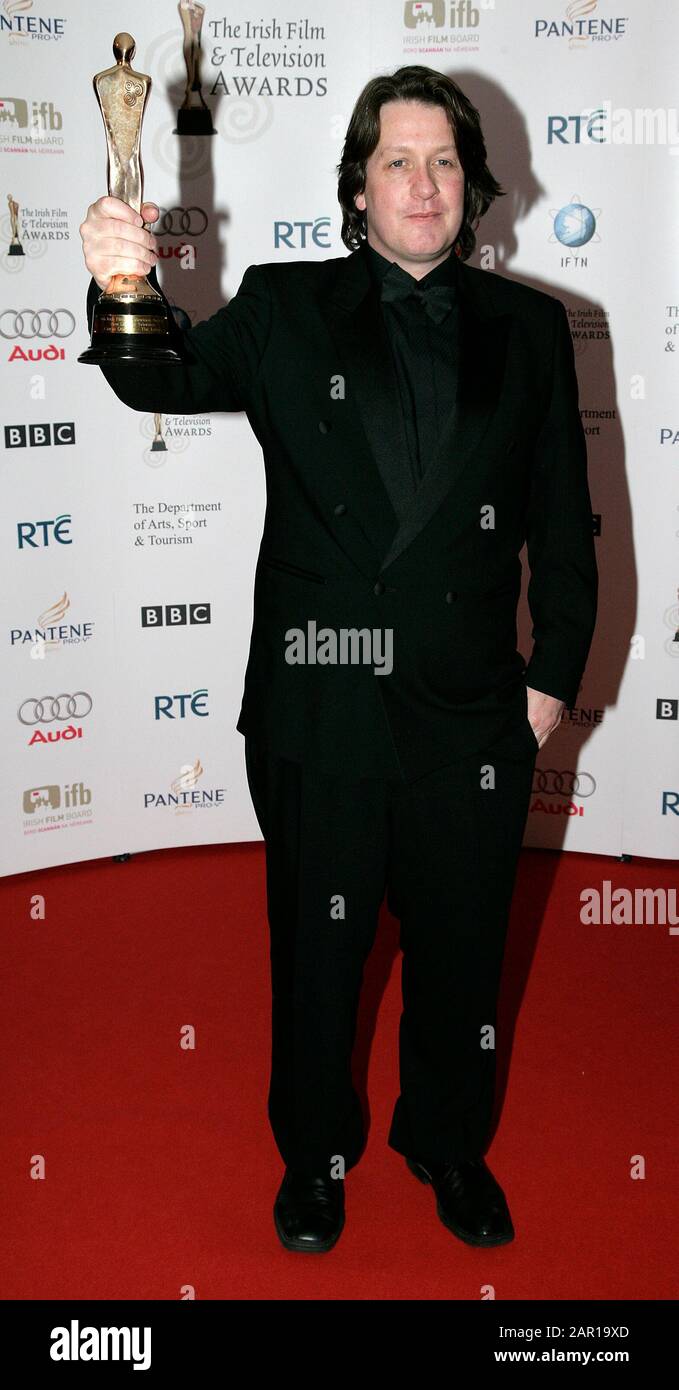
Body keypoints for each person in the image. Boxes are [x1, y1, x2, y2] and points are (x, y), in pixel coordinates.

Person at [80, 64, 598, 1255]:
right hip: (320, 706)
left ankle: (446, 1143)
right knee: (318, 954)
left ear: (472, 189)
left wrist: (544, 690)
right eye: (397, 161)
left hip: (474, 715)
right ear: (357, 190)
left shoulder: (527, 329)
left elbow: (562, 526)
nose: (423, 183)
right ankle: (313, 1156)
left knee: (465, 955)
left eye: (445, 162)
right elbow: (164, 369)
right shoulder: (284, 304)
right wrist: (122, 281)